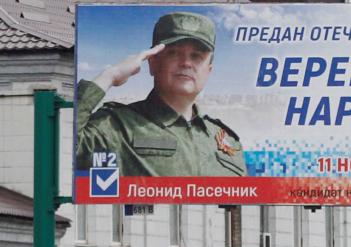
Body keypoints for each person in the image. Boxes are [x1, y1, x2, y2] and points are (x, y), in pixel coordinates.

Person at [75, 11, 247, 178]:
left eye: (197, 56)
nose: (186, 63)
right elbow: (62, 149)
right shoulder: (116, 126)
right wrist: (110, 75)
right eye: (174, 53)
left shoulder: (227, 142)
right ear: (153, 63)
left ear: (208, 71)